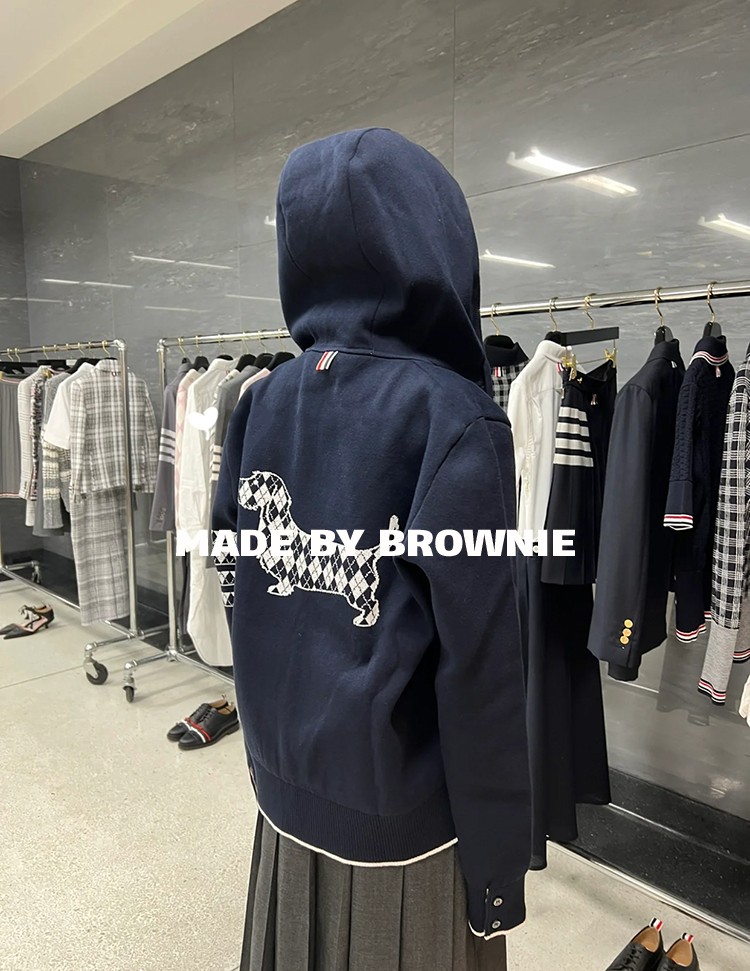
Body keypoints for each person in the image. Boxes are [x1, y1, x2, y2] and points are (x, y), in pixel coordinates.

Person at [213, 127, 531, 971]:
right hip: (406, 836)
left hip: (281, 799)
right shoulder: (454, 417)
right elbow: (484, 671)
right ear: (438, 240)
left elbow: (240, 586)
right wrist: (497, 874)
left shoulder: (260, 403)